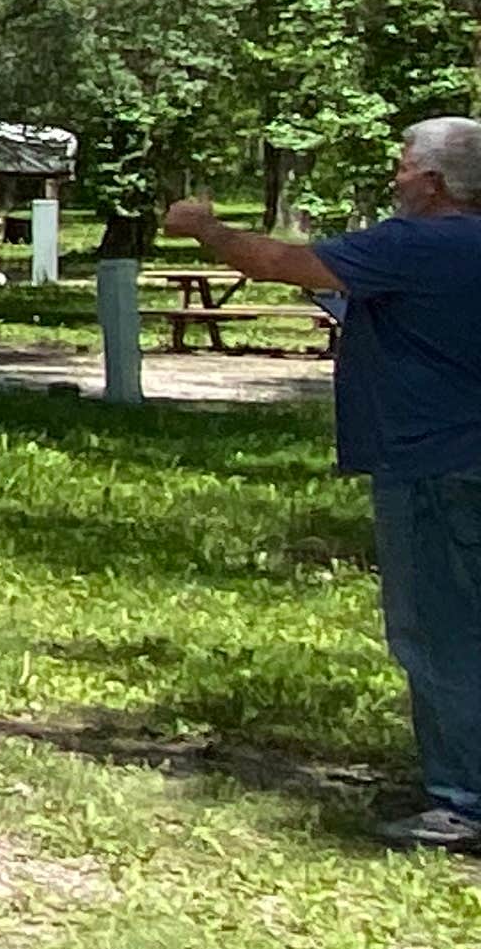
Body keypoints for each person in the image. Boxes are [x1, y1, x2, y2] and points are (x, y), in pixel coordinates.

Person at [166, 118, 481, 852]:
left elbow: (275, 261)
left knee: (437, 633)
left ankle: (461, 801)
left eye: (404, 166)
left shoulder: (413, 243)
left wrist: (204, 228)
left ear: (432, 182)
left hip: (431, 466)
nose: (396, 176)